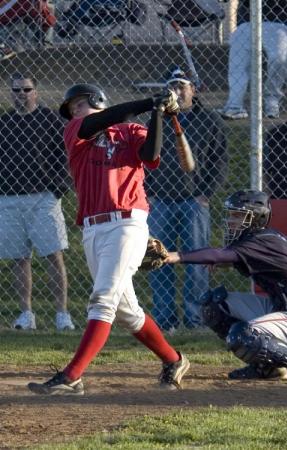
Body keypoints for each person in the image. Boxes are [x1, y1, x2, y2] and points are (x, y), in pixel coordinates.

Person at [27, 83, 190, 395]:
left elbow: (151, 155)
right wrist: (150, 101)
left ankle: (72, 375)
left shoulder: (130, 130)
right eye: (71, 108)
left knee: (103, 299)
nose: (74, 111)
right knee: (128, 312)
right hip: (92, 229)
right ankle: (173, 359)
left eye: (78, 104)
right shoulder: (77, 131)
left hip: (127, 223)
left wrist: (157, 112)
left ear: (97, 100)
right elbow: (101, 120)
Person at [164, 189, 287, 382]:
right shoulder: (258, 240)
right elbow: (233, 257)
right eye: (231, 215)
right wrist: (226, 262)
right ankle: (267, 368)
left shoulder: (264, 239)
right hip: (284, 310)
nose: (231, 220)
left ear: (256, 218)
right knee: (214, 305)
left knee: (245, 335)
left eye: (238, 215)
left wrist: (175, 256)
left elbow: (219, 254)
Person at [146, 67, 228, 332]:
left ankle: (196, 320)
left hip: (194, 202)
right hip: (160, 202)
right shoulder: (157, 119)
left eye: (182, 86)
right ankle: (165, 319)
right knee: (159, 260)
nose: (178, 92)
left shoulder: (209, 121)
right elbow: (144, 156)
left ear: (193, 89)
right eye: (172, 86)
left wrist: (206, 193)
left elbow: (220, 161)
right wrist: (149, 191)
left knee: (196, 264)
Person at [0, 73, 74, 331]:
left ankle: (62, 314)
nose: (21, 94)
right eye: (16, 90)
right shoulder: (4, 123)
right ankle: (26, 314)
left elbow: (65, 155)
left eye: (26, 90)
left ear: (36, 92)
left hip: (43, 197)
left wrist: (58, 188)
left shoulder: (51, 120)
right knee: (19, 258)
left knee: (54, 255)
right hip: (8, 199)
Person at [219, 0, 287, 120]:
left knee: (278, 58)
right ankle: (234, 106)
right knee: (237, 59)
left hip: (279, 22)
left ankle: (272, 101)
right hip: (248, 22)